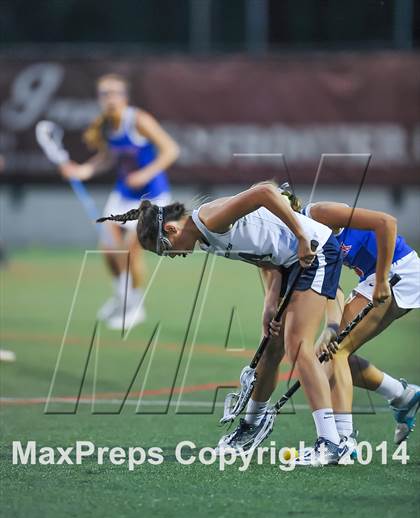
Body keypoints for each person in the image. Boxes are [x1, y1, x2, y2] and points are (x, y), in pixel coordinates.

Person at [97, 180, 354, 466]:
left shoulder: (211, 219)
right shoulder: (205, 240)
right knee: (271, 348)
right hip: (289, 263)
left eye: (164, 250)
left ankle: (331, 443)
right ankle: (251, 427)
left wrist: (301, 235)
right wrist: (270, 303)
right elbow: (264, 255)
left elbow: (265, 191)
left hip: (315, 252)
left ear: (171, 229)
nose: (172, 256)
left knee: (298, 346)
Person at [226, 191, 420, 463]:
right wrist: (330, 326)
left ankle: (342, 442)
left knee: (335, 352)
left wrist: (381, 281)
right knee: (327, 352)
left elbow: (387, 222)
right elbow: (332, 290)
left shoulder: (318, 216)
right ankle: (402, 395)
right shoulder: (288, 245)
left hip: (399, 273)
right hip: (376, 277)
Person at [60, 73, 179, 329]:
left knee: (128, 250)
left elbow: (171, 150)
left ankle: (135, 307)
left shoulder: (138, 120)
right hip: (123, 195)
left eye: (115, 93)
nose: (110, 98)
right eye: (104, 93)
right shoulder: (103, 125)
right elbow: (106, 158)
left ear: (124, 97)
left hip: (152, 196)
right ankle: (122, 298)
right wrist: (81, 171)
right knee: (107, 250)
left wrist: (145, 174)